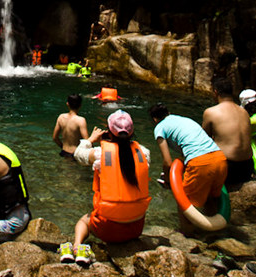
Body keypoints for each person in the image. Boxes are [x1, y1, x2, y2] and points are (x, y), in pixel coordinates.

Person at [61, 110, 151, 265]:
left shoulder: (100, 154)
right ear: (132, 132)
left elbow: (78, 154)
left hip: (107, 230)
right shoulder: (144, 152)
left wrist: (90, 139)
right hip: (136, 228)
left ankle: (77, 247)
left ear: (109, 131)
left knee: (83, 221)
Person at [149, 102, 227, 234]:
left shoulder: (159, 128)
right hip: (220, 159)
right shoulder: (184, 120)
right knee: (211, 199)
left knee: (183, 201)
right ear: (168, 113)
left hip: (200, 163)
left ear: (155, 119)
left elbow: (167, 162)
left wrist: (168, 181)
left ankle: (188, 236)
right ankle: (215, 234)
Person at [202, 77, 253, 186]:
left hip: (228, 168)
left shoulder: (211, 112)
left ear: (215, 92)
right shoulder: (244, 112)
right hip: (247, 167)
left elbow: (203, 140)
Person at [52, 94, 89, 158]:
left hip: (63, 152)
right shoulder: (81, 120)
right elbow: (87, 142)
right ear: (80, 105)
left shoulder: (61, 117)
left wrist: (62, 146)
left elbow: (55, 138)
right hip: (75, 154)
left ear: (67, 104)